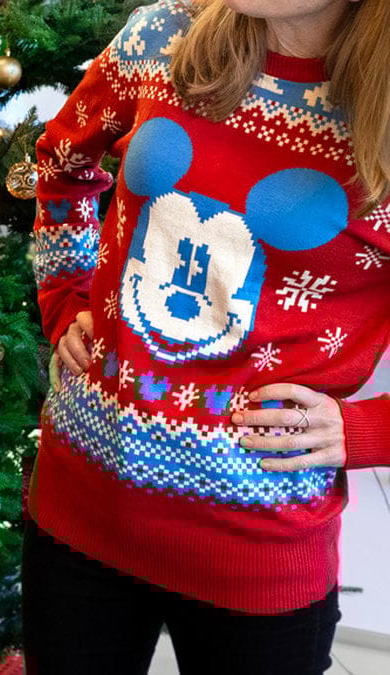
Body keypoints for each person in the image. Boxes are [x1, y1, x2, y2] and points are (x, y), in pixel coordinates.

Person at [25, 0, 390, 671]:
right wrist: (65, 294)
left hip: (257, 554)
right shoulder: (162, 35)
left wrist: (368, 431)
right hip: (78, 507)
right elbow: (58, 162)